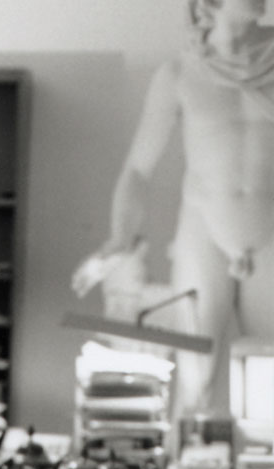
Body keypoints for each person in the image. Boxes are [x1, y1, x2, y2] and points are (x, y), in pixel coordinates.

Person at [77, 0, 274, 416]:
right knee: (196, 375)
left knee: (268, 369)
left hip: (269, 231)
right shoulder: (180, 74)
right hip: (205, 229)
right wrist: (119, 236)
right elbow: (138, 169)